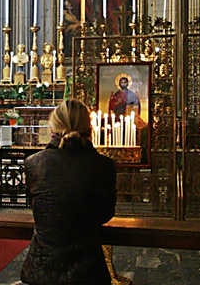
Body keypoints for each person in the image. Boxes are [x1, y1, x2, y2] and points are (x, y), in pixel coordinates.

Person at [21, 100, 117, 285]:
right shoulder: (104, 166)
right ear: (89, 128)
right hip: (88, 272)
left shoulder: (34, 163)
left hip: (42, 272)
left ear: (52, 129)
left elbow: (36, 208)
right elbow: (106, 214)